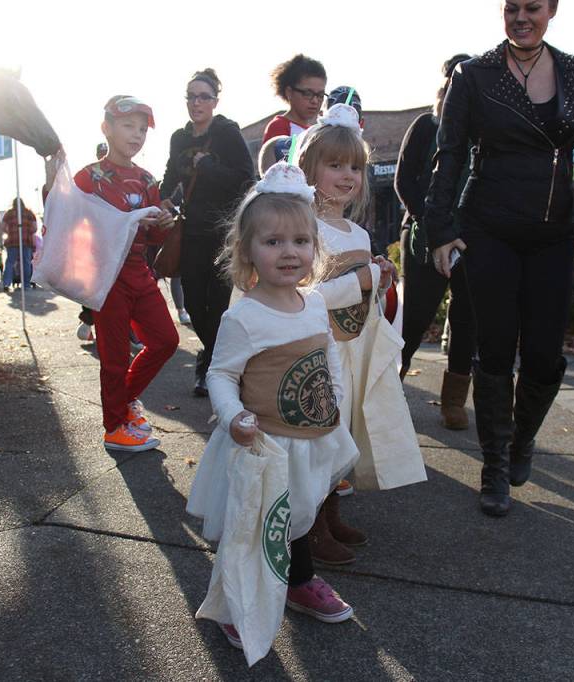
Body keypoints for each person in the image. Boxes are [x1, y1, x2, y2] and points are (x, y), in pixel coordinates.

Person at [424, 0, 574, 516]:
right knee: (493, 348)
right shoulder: (475, 74)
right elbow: (450, 153)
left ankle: (521, 441)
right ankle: (494, 467)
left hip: (553, 233)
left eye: (532, 7)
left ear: (551, 9)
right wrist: (440, 228)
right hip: (489, 229)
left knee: (544, 355)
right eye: (511, 7)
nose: (520, 17)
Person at [187, 162, 359, 649]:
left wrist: (336, 400)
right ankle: (235, 603)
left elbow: (328, 352)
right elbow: (221, 374)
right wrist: (232, 414)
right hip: (263, 443)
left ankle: (299, 583)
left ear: (315, 248)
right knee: (254, 525)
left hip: (311, 438)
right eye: (274, 242)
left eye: (301, 241)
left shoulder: (315, 303)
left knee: (299, 515)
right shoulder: (244, 316)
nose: (290, 252)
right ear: (247, 251)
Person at [297, 104, 419, 565]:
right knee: (320, 438)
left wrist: (380, 280)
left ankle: (329, 514)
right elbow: (303, 297)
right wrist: (359, 282)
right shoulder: (303, 230)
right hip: (316, 351)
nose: (347, 176)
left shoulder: (360, 234)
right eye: (334, 165)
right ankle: (308, 528)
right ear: (311, 168)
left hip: (350, 352)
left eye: (355, 167)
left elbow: (361, 300)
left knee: (342, 433)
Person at [74, 95, 179, 453]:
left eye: (141, 129)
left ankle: (125, 402)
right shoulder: (87, 178)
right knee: (114, 356)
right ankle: (114, 427)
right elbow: (71, 227)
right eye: (127, 126)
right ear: (106, 128)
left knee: (166, 340)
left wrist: (163, 224)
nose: (136, 136)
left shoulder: (148, 180)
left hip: (139, 272)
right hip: (106, 277)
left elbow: (153, 238)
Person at [160, 69, 255, 397]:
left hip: (222, 233)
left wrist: (208, 166)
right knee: (195, 305)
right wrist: (161, 199)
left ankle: (210, 367)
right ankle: (218, 359)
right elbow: (171, 174)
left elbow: (246, 179)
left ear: (215, 100)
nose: (196, 103)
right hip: (190, 231)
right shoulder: (179, 138)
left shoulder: (227, 133)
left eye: (203, 97)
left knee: (216, 304)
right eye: (191, 96)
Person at [394, 54, 476, 430]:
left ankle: (454, 402)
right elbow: (404, 180)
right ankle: (389, 384)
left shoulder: (484, 130)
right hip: (424, 236)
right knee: (414, 317)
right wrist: (429, 220)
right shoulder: (426, 125)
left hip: (470, 239)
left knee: (467, 319)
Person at [262, 55, 327, 143]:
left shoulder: (316, 131)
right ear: (289, 92)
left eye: (320, 95)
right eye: (307, 94)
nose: (315, 101)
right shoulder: (279, 126)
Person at [2, 198, 38, 291]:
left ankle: (6, 283)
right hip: (26, 241)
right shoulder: (29, 213)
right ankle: (26, 285)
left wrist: (10, 232)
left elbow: (2, 227)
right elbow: (35, 228)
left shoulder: (9, 213)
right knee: (26, 263)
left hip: (12, 241)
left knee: (10, 262)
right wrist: (27, 231)